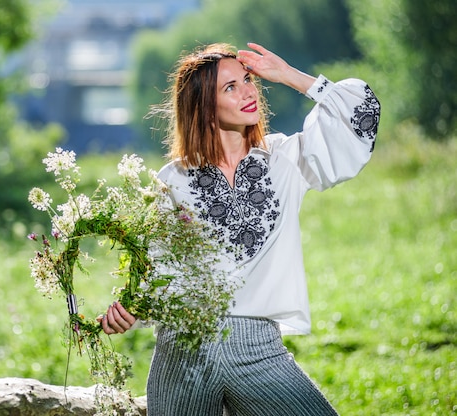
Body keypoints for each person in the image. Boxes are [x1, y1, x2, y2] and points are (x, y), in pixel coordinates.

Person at [98, 42, 380, 415]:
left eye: (248, 80)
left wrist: (289, 76)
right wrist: (130, 310)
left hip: (258, 350)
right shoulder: (171, 181)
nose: (248, 91)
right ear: (203, 106)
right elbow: (158, 272)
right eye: (230, 87)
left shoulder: (285, 159)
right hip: (183, 357)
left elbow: (361, 117)